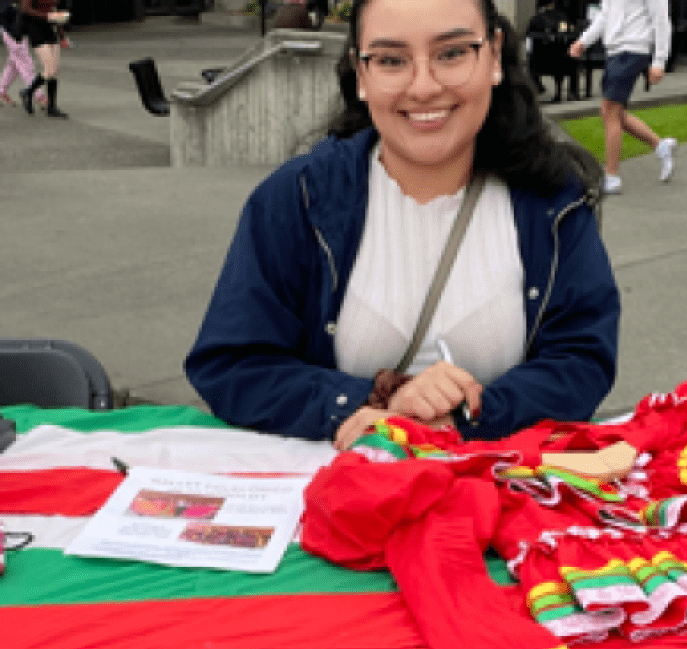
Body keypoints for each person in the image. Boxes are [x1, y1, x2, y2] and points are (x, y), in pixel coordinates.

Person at [185, 0, 620, 450]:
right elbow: (231, 364)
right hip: (344, 501)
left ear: (492, 56)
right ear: (361, 73)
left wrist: (469, 414)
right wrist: (363, 404)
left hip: (501, 503)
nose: (424, 86)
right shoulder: (297, 198)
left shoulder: (553, 201)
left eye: (451, 53)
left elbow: (582, 359)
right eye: (392, 60)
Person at [569, 0, 676, 194]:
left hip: (633, 50)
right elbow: (604, 15)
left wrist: (659, 60)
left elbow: (661, 20)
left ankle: (611, 176)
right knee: (613, 114)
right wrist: (583, 41)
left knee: (610, 112)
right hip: (615, 52)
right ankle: (659, 145)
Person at [18, 0, 70, 119]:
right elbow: (25, 9)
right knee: (50, 70)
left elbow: (54, 10)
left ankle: (51, 108)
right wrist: (48, 16)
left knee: (54, 72)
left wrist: (61, 36)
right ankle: (28, 92)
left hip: (51, 30)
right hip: (36, 30)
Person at [0, 0, 48, 109]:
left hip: (14, 29)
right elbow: (5, 9)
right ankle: (38, 95)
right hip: (13, 30)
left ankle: (1, 92)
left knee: (13, 65)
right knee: (26, 63)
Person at [525, 0, 579, 102]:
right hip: (560, 61)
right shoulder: (561, 18)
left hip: (539, 63)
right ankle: (572, 92)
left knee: (531, 61)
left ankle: (539, 86)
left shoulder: (535, 20)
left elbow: (529, 43)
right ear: (553, 4)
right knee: (573, 61)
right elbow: (566, 33)